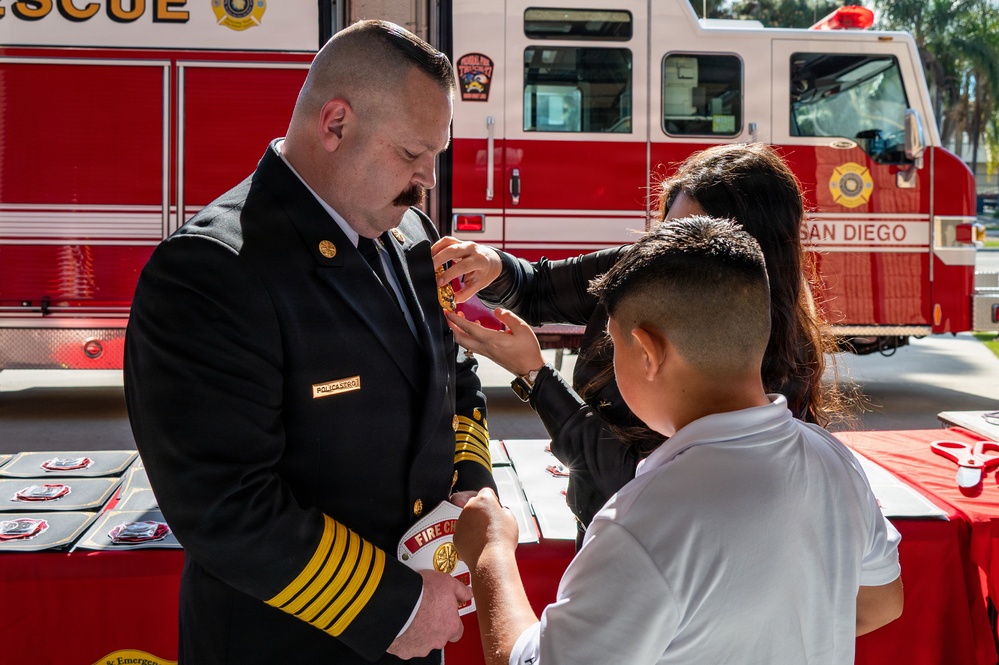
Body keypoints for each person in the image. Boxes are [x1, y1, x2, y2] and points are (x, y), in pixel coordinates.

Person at [123, 20, 495, 664]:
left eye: (433, 155)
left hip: (413, 625)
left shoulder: (409, 236)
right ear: (335, 124)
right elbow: (225, 504)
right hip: (286, 642)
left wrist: (471, 483)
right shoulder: (213, 270)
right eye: (411, 154)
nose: (427, 179)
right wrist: (395, 605)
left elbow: (453, 378)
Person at [452, 216, 903, 665]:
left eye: (613, 345)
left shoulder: (643, 521)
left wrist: (491, 553)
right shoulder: (834, 461)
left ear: (647, 352)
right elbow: (883, 601)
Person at [433, 143, 843, 548]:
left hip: (654, 544)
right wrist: (492, 264)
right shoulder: (646, 267)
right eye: (667, 232)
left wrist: (536, 377)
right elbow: (538, 287)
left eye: (696, 243)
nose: (669, 255)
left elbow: (641, 480)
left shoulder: (759, 352)